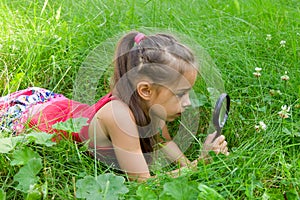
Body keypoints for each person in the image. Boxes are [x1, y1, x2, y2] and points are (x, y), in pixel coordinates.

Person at [0, 31, 229, 182]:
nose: (188, 103)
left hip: (59, 105)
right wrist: (199, 165)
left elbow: (163, 141)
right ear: (146, 91)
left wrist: (190, 163)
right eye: (180, 94)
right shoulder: (119, 116)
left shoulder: (152, 108)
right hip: (30, 116)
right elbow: (142, 183)